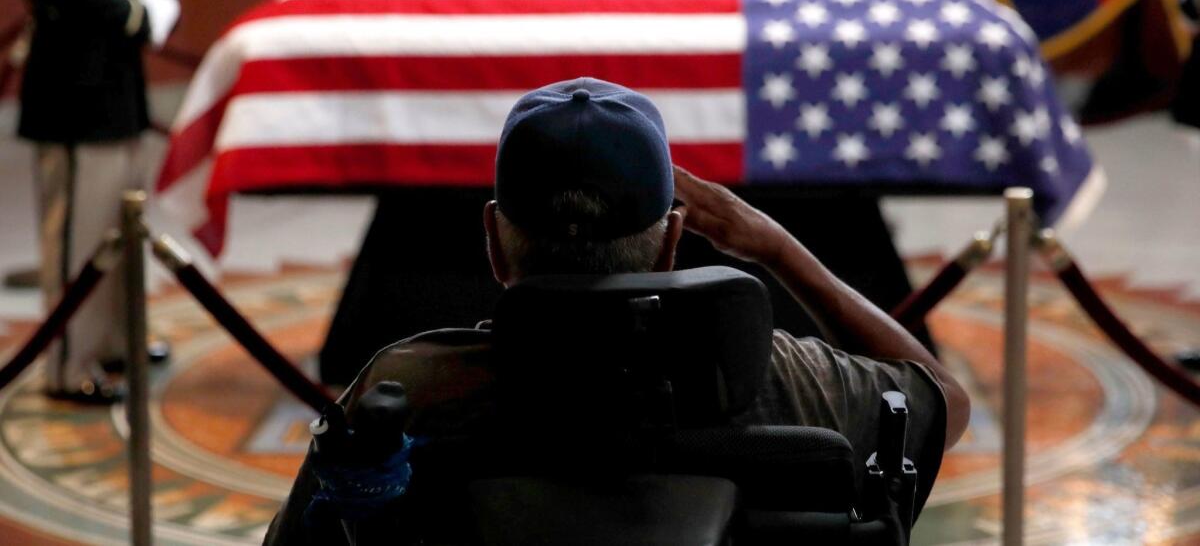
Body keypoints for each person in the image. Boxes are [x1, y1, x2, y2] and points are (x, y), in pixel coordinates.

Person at [265, 77, 970, 544]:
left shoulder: (409, 389)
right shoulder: (785, 379)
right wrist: (780, 249)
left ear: (494, 243)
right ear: (672, 241)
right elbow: (946, 401)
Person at [4, 0, 176, 403]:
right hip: (73, 94)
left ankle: (112, 342)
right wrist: (137, 14)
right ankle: (67, 363)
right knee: (80, 238)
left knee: (118, 228)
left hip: (115, 89)